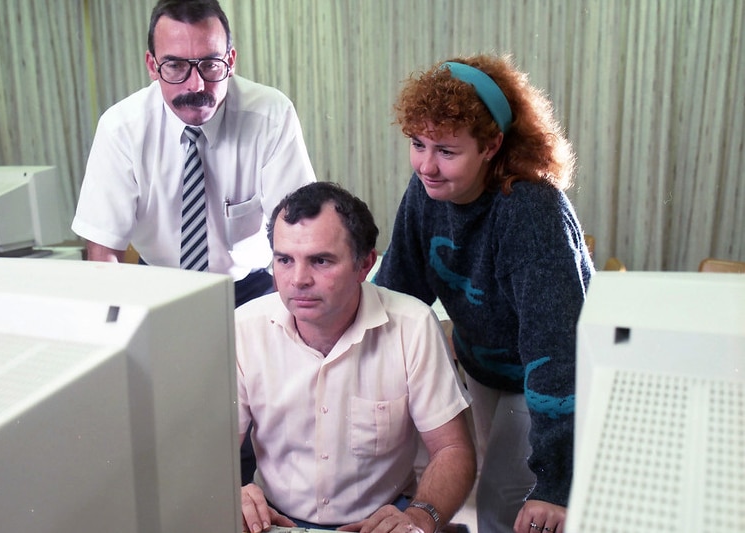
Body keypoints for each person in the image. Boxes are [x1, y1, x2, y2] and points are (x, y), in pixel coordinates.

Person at [373, 54, 594, 533]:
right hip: (481, 369)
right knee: (491, 485)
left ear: (492, 145)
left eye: (446, 151)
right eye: (417, 144)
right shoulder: (425, 192)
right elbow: (397, 288)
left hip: (538, 378)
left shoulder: (531, 211)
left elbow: (556, 352)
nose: (427, 166)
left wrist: (556, 484)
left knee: (505, 503)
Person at [236, 182, 476, 533]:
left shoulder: (412, 325)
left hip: (384, 523)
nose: (298, 280)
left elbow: (453, 450)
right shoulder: (245, 327)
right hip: (275, 522)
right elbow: (208, 451)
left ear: (365, 265)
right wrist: (233, 493)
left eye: (321, 261)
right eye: (284, 260)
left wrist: (420, 518)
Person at [71, 0, 315, 308]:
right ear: (152, 66)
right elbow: (104, 252)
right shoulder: (121, 129)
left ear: (231, 60)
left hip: (249, 287)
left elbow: (299, 230)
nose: (196, 84)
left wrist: (293, 319)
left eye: (211, 65)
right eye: (175, 66)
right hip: (156, 287)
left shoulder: (271, 115)